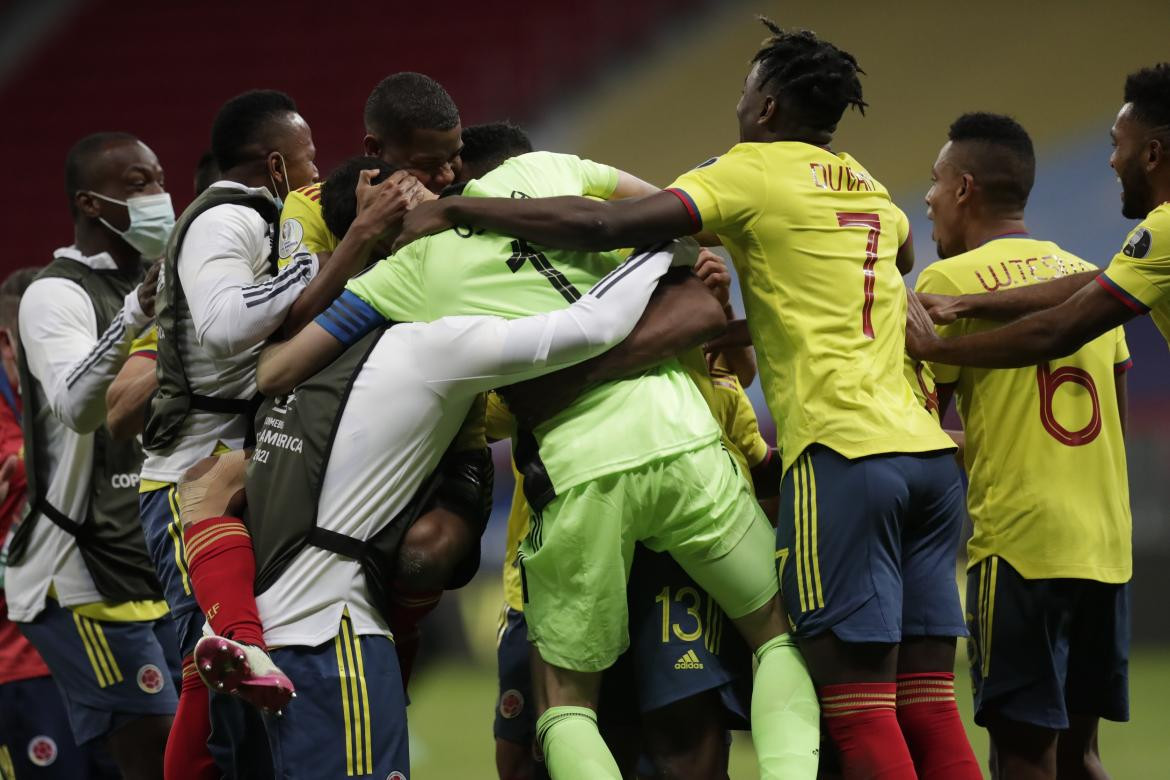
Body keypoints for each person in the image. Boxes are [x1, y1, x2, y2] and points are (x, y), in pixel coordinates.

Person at [393, 20, 982, 780]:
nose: (737, 105)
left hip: (839, 457)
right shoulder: (868, 186)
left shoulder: (745, 173)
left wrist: (461, 213)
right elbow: (894, 256)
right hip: (922, 459)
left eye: (744, 91)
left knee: (854, 713)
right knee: (924, 704)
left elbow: (610, 223)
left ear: (766, 109)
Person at [326, 141, 823, 779]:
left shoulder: (436, 295)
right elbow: (685, 253)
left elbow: (710, 328)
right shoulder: (595, 242)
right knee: (771, 639)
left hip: (580, 489)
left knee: (577, 712)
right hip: (682, 459)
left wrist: (563, 382)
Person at [183, 232, 716, 779]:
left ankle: (238, 636)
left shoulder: (287, 359)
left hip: (244, 626)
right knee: (435, 547)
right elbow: (595, 325)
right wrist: (661, 246)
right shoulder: (433, 347)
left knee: (203, 491)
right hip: (333, 642)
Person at [914, 112, 1133, 779]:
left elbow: (914, 426)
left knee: (1021, 755)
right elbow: (1112, 426)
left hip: (1020, 546)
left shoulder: (946, 286)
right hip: (1104, 547)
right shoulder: (1092, 281)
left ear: (965, 190)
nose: (926, 197)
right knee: (1080, 755)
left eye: (935, 180)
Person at [6, 132, 177, 780]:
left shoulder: (159, 285)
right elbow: (78, 406)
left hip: (146, 559)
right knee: (158, 751)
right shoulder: (56, 295)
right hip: (78, 571)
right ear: (90, 202)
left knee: (197, 746)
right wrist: (137, 313)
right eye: (137, 184)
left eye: (159, 178)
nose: (158, 195)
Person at [905, 63, 1170, 377]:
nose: (1112, 161)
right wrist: (965, 304)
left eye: (1116, 145)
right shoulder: (1151, 255)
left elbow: (1057, 331)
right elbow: (1095, 283)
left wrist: (934, 348)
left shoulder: (1163, 229)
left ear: (1152, 155)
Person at [277, 71, 459, 269]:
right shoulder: (310, 205)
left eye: (453, 157)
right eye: (427, 165)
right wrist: (365, 235)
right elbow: (303, 297)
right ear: (374, 149)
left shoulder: (471, 181)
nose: (447, 176)